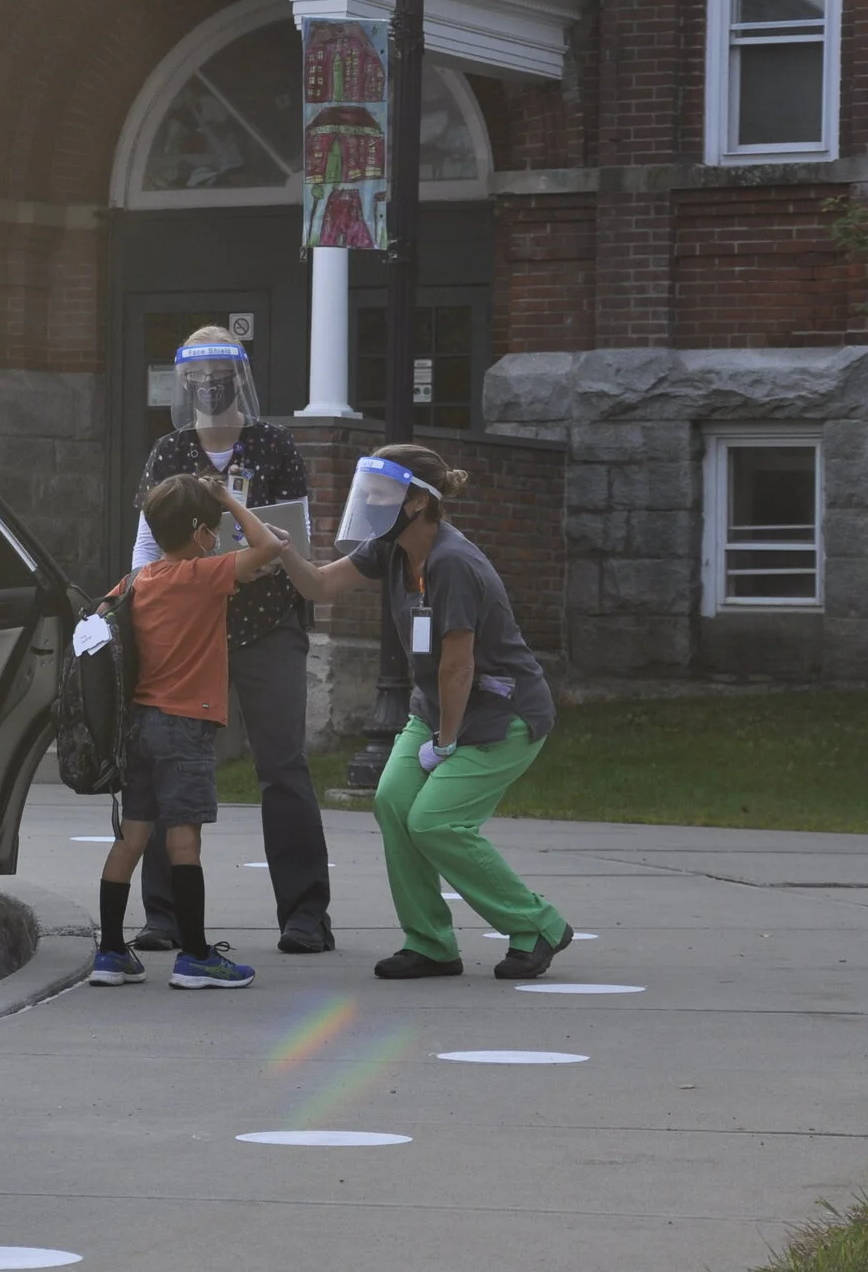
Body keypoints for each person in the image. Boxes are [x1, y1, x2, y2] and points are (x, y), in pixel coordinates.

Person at [276, 443, 575, 981]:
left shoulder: (453, 563)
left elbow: (458, 666)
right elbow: (319, 584)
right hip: (438, 710)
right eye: (365, 492)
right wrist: (274, 544)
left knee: (437, 822)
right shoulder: (390, 549)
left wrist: (445, 742)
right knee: (393, 802)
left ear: (416, 501)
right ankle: (431, 943)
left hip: (500, 716)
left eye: (379, 494)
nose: (367, 503)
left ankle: (539, 925)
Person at [127, 326, 334, 955]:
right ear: (182, 383)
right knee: (172, 761)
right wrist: (137, 601)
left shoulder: (273, 445)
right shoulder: (169, 450)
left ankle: (304, 914)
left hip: (266, 621)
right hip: (188, 629)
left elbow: (289, 536)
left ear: (239, 377)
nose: (209, 384)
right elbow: (145, 542)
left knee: (282, 766)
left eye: (221, 371)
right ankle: (164, 914)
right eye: (198, 374)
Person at [91, 474, 285, 991]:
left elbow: (98, 623)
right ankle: (195, 956)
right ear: (201, 532)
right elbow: (269, 547)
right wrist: (229, 499)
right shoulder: (204, 575)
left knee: (131, 839)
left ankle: (110, 952)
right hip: (186, 727)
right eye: (215, 528)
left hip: (138, 726)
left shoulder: (135, 581)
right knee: (184, 843)